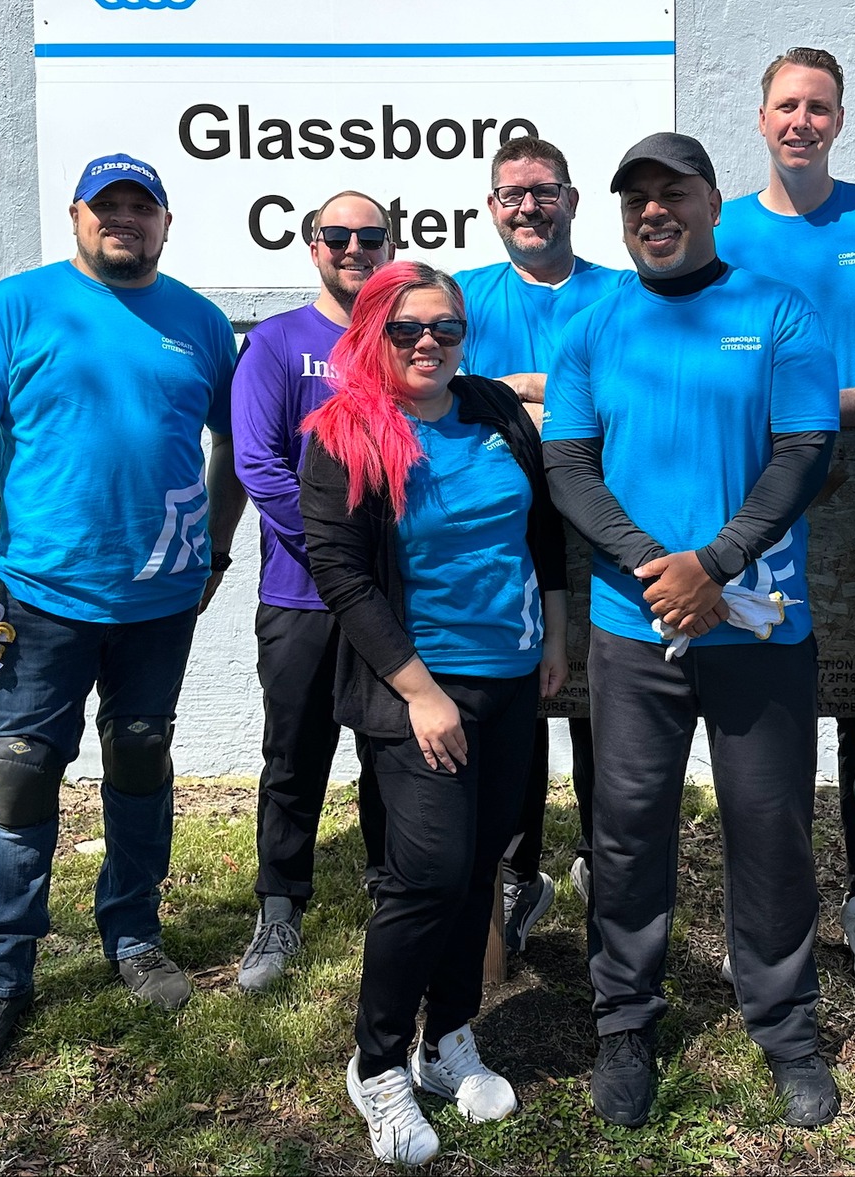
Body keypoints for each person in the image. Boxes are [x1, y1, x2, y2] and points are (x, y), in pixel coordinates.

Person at [544, 133, 843, 1131]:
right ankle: (625, 1020)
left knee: (770, 827)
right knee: (627, 828)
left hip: (759, 624)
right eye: (636, 197)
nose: (653, 211)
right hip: (633, 630)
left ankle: (786, 1027)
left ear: (712, 203)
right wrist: (657, 567)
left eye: (673, 193)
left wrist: (712, 564)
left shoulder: (778, 311)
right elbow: (569, 466)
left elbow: (805, 450)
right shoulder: (591, 322)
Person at [0, 155, 243, 1077]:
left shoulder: (200, 321)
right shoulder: (15, 307)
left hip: (159, 600)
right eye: (108, 206)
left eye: (142, 207)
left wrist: (215, 553)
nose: (124, 220)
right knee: (22, 772)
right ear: (76, 216)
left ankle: (133, 934)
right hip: (43, 596)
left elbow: (233, 447)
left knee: (140, 756)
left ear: (166, 223)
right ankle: (1, 977)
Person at [300, 261, 569, 1167]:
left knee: (480, 867)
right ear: (373, 331)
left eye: (445, 327)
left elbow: (541, 530)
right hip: (417, 689)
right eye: (408, 327)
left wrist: (556, 632)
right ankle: (378, 1063)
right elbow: (340, 574)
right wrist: (421, 691)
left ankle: (448, 1038)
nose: (428, 342)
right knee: (427, 875)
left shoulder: (491, 409)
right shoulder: (345, 431)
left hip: (511, 678)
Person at [717, 45, 855, 994]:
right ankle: (775, 905)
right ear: (761, 118)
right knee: (774, 701)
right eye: (787, 105)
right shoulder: (723, 230)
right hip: (765, 496)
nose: (802, 121)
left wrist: (825, 410)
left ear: (840, 120)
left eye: (820, 107)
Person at [453, 135, 632, 956]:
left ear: (572, 200)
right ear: (492, 207)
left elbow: (627, 390)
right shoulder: (465, 296)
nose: (529, 207)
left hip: (605, 527)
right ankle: (519, 871)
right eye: (512, 194)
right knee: (517, 697)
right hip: (507, 536)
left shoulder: (620, 293)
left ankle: (601, 857)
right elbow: (448, 394)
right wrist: (560, 395)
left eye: (544, 191)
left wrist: (520, 388)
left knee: (603, 700)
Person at [229, 190, 395, 992]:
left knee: (391, 751)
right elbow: (258, 466)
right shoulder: (276, 342)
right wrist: (340, 551)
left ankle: (391, 888)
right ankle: (280, 906)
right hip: (302, 595)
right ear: (312, 244)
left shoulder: (404, 338)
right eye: (337, 235)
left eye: (370, 236)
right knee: (294, 756)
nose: (353, 247)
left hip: (391, 598)